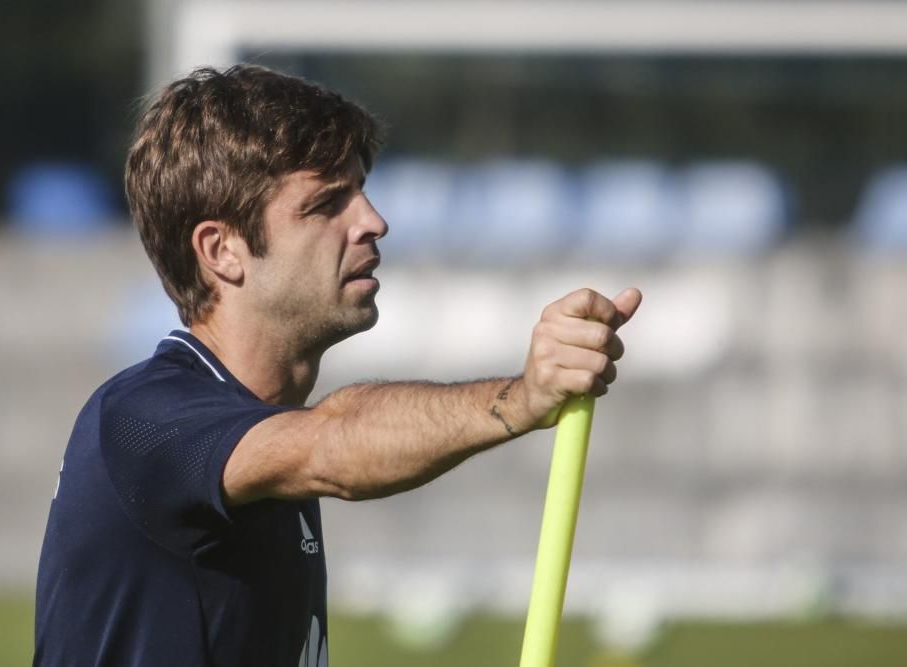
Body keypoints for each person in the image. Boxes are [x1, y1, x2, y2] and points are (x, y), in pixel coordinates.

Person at [33, 64, 642, 667]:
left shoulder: (259, 435)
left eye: (361, 190)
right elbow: (334, 442)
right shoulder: (144, 419)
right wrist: (520, 398)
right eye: (326, 204)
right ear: (222, 251)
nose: (373, 221)